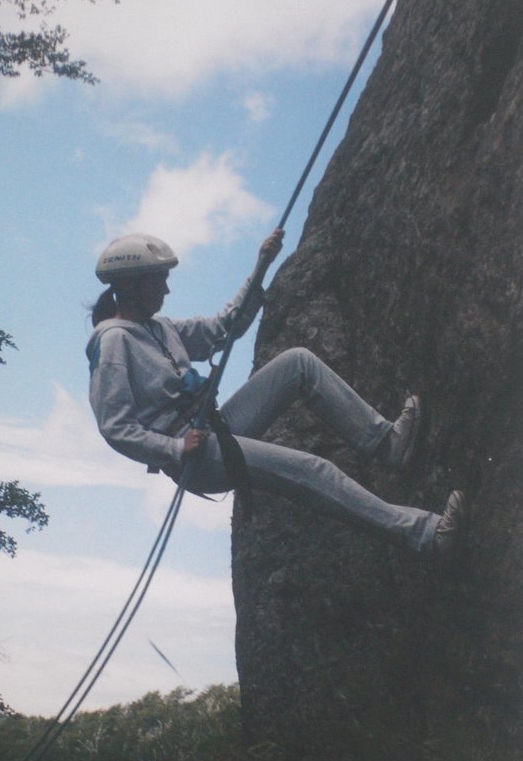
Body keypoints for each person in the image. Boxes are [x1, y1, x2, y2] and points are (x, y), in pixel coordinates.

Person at [86, 229, 466, 556]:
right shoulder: (113, 342)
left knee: (298, 363)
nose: (166, 288)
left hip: (215, 430)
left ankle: (387, 444)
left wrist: (260, 268)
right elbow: (115, 426)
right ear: (131, 286)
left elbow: (223, 328)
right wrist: (175, 449)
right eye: (158, 280)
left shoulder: (160, 328)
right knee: (312, 469)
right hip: (196, 455)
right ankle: (426, 535)